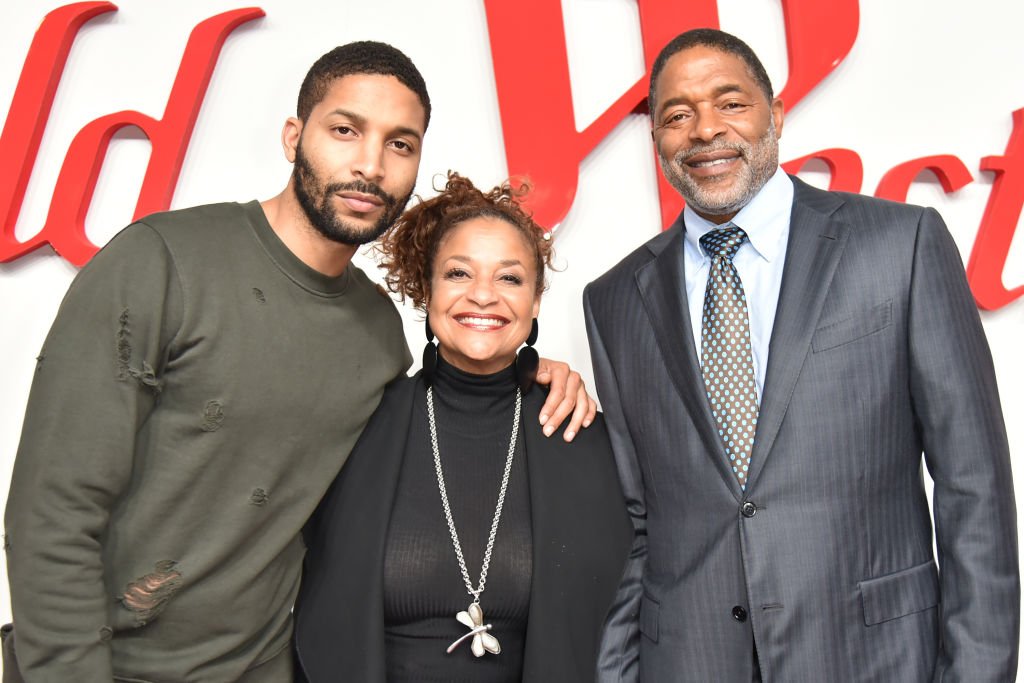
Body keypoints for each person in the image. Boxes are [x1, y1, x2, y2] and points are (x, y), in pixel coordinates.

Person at [3, 42, 595, 682]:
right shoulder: (159, 263)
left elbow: (429, 438)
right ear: (294, 136)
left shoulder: (377, 336)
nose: (370, 165)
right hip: (109, 667)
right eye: (345, 130)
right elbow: (52, 513)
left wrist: (531, 374)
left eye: (400, 144)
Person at [585, 28, 1019, 682]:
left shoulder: (899, 246)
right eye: (676, 116)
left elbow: (973, 488)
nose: (704, 129)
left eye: (730, 103)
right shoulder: (614, 300)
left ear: (777, 115)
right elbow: (638, 526)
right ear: (658, 143)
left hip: (874, 660)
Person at [293, 172, 632, 682]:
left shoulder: (582, 437)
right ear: (427, 291)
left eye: (509, 278)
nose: (483, 296)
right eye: (458, 274)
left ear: (535, 300)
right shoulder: (358, 426)